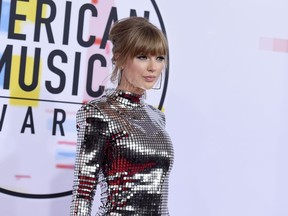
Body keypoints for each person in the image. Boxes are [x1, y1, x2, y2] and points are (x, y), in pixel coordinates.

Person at [70, 16, 174, 216]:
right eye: (142, 57)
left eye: (159, 58)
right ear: (118, 57)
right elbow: (83, 191)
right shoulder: (99, 112)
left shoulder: (157, 117)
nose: (153, 67)